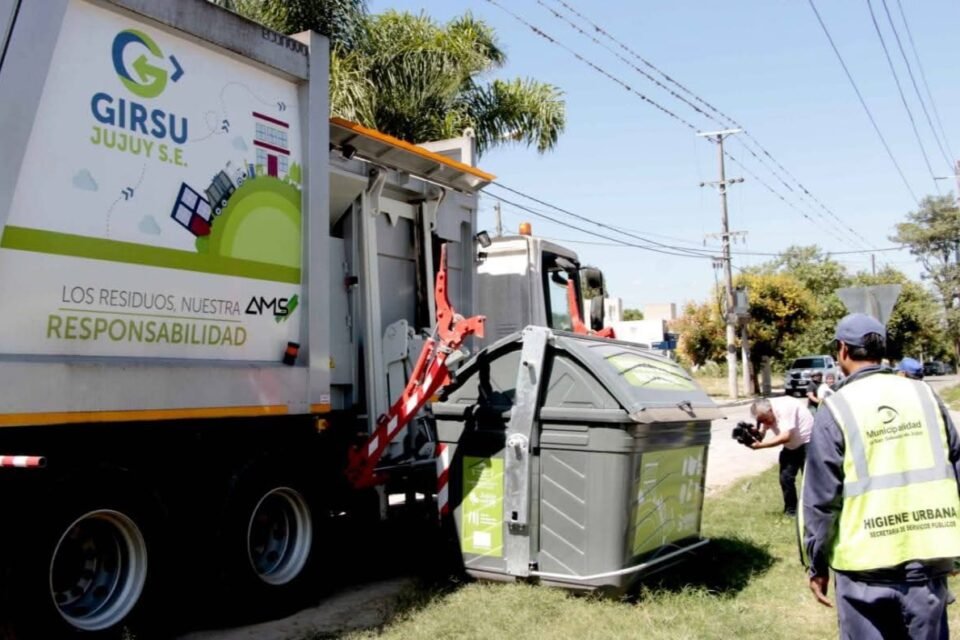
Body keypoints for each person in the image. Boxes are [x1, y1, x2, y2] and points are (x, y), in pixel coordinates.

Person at [801, 313, 960, 639]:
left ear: (842, 349)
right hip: (926, 558)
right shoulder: (925, 396)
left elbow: (820, 500)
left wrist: (816, 566)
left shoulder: (836, 408)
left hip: (863, 570)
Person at [749, 396, 813, 516]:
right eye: (761, 421)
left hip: (808, 442)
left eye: (765, 419)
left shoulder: (785, 407)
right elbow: (763, 431)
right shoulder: (766, 412)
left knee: (809, 479)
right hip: (791, 446)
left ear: (770, 411)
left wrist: (760, 445)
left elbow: (785, 436)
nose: (765, 423)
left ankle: (811, 510)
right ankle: (791, 511)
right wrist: (757, 434)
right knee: (785, 478)